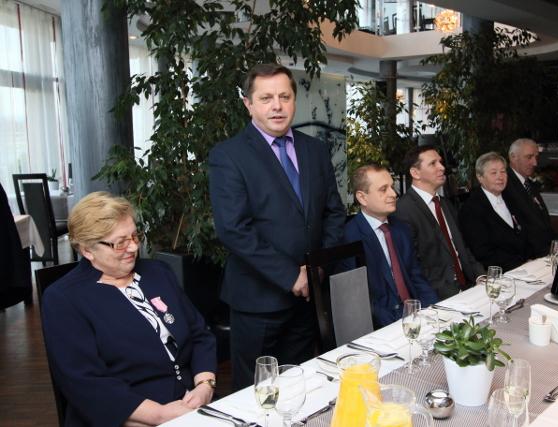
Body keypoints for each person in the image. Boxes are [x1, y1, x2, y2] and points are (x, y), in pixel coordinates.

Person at [208, 63, 345, 390]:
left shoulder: (315, 150)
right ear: (248, 104)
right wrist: (290, 276)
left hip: (309, 296)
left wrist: (316, 270)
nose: (277, 106)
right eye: (266, 98)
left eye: (284, 96)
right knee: (255, 393)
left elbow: (334, 214)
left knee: (299, 385)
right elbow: (234, 228)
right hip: (258, 301)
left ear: (294, 100)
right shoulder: (228, 155)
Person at [41, 192, 217, 427]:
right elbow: (85, 383)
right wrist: (160, 415)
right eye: (120, 243)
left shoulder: (158, 272)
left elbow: (200, 334)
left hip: (192, 405)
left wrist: (205, 385)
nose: (133, 247)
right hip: (130, 416)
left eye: (134, 236)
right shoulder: (64, 299)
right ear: (87, 250)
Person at [344, 165, 438, 327]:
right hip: (383, 325)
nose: (394, 194)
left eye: (392, 187)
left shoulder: (401, 229)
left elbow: (416, 276)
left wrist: (433, 310)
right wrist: (398, 324)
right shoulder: (349, 237)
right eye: (383, 189)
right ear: (362, 198)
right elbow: (360, 299)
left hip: (416, 315)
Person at [395, 145, 484, 299]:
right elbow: (413, 267)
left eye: (440, 162)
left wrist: (480, 276)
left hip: (469, 286)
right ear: (415, 173)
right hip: (440, 296)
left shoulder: (445, 203)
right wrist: (452, 294)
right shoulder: (403, 210)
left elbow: (461, 247)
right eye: (433, 163)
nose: (442, 167)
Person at [459, 152, 530, 271]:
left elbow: (524, 234)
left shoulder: (512, 200)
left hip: (525, 266)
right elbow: (481, 252)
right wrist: (519, 266)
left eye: (503, 172)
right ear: (480, 177)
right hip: (498, 272)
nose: (500, 177)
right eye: (494, 173)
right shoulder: (471, 209)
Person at [502, 138, 556, 258]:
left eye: (536, 157)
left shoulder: (528, 183)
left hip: (545, 250)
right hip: (528, 256)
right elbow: (523, 228)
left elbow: (543, 221)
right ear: (513, 157)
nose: (535, 163)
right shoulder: (505, 185)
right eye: (529, 157)